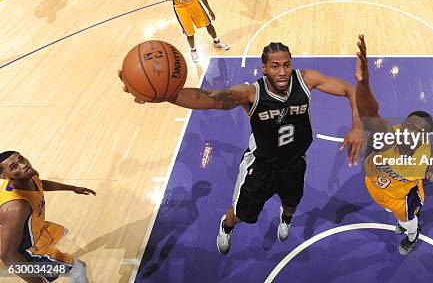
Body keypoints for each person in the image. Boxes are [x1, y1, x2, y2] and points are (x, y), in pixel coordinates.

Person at [118, 42, 364, 255]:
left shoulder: (306, 80)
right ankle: (226, 226)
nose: (282, 71)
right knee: (241, 213)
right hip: (260, 169)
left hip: (294, 163)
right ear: (264, 68)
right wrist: (164, 95)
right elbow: (208, 98)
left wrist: (356, 125)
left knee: (292, 202)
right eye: (275, 66)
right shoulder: (250, 93)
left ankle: (285, 218)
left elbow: (350, 90)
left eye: (286, 65)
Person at [354, 35, 433, 254]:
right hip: (376, 186)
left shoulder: (431, 159)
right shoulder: (387, 135)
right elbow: (368, 112)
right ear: (403, 125)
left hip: (403, 198)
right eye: (410, 126)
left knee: (408, 222)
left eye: (420, 132)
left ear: (425, 138)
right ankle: (404, 225)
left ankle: (412, 234)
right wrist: (363, 84)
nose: (411, 134)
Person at [0, 151, 95, 283]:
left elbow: (39, 184)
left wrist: (72, 188)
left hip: (35, 232)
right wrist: (36, 280)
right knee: (78, 268)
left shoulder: (30, 176)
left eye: (22, 159)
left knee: (63, 233)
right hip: (25, 252)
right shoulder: (16, 207)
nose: (23, 165)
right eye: (14, 167)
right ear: (4, 176)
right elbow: (8, 256)